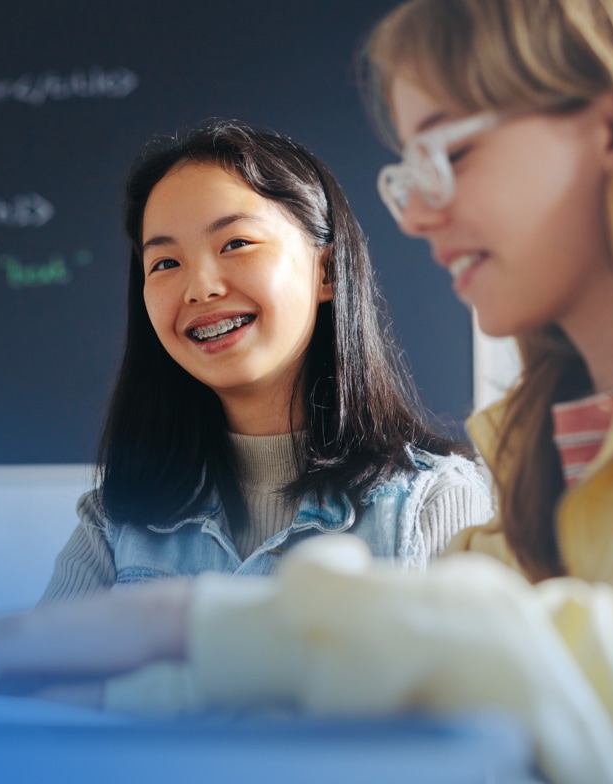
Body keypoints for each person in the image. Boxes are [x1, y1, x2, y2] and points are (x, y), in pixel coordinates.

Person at [0, 0, 613, 781]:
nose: (421, 214)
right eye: (411, 170)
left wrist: (181, 620)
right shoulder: (549, 432)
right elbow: (444, 683)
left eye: (453, 151)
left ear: (610, 124)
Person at [41, 119, 490, 609]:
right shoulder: (115, 520)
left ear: (327, 271)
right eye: (165, 263)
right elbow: (29, 679)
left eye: (235, 244)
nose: (200, 288)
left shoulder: (432, 501)